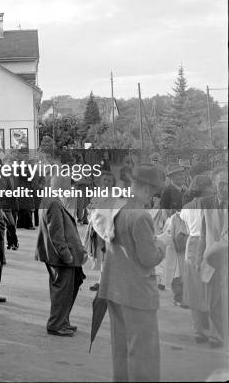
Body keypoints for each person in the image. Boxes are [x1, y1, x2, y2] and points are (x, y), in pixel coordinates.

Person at [98, 163, 166, 382]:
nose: (152, 198)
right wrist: (162, 245)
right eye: (153, 192)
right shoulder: (141, 216)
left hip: (114, 288)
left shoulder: (116, 206)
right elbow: (148, 258)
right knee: (143, 353)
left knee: (121, 349)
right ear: (146, 188)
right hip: (137, 292)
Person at [35, 172, 87, 337]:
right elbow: (56, 234)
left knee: (71, 284)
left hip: (61, 255)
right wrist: (67, 255)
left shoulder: (52, 200)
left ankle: (62, 321)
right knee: (62, 290)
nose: (71, 189)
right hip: (60, 257)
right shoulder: (54, 203)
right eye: (69, 185)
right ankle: (56, 324)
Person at [179, 175, 213, 344]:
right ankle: (213, 328)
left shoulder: (186, 207)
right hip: (210, 243)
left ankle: (198, 330)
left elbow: (185, 229)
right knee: (212, 287)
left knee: (194, 289)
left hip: (192, 244)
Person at [198, 168, 228, 349]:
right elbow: (202, 233)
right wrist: (198, 257)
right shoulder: (206, 204)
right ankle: (219, 333)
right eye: (222, 184)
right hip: (210, 259)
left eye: (228, 184)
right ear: (215, 184)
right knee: (211, 301)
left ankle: (219, 335)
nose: (225, 188)